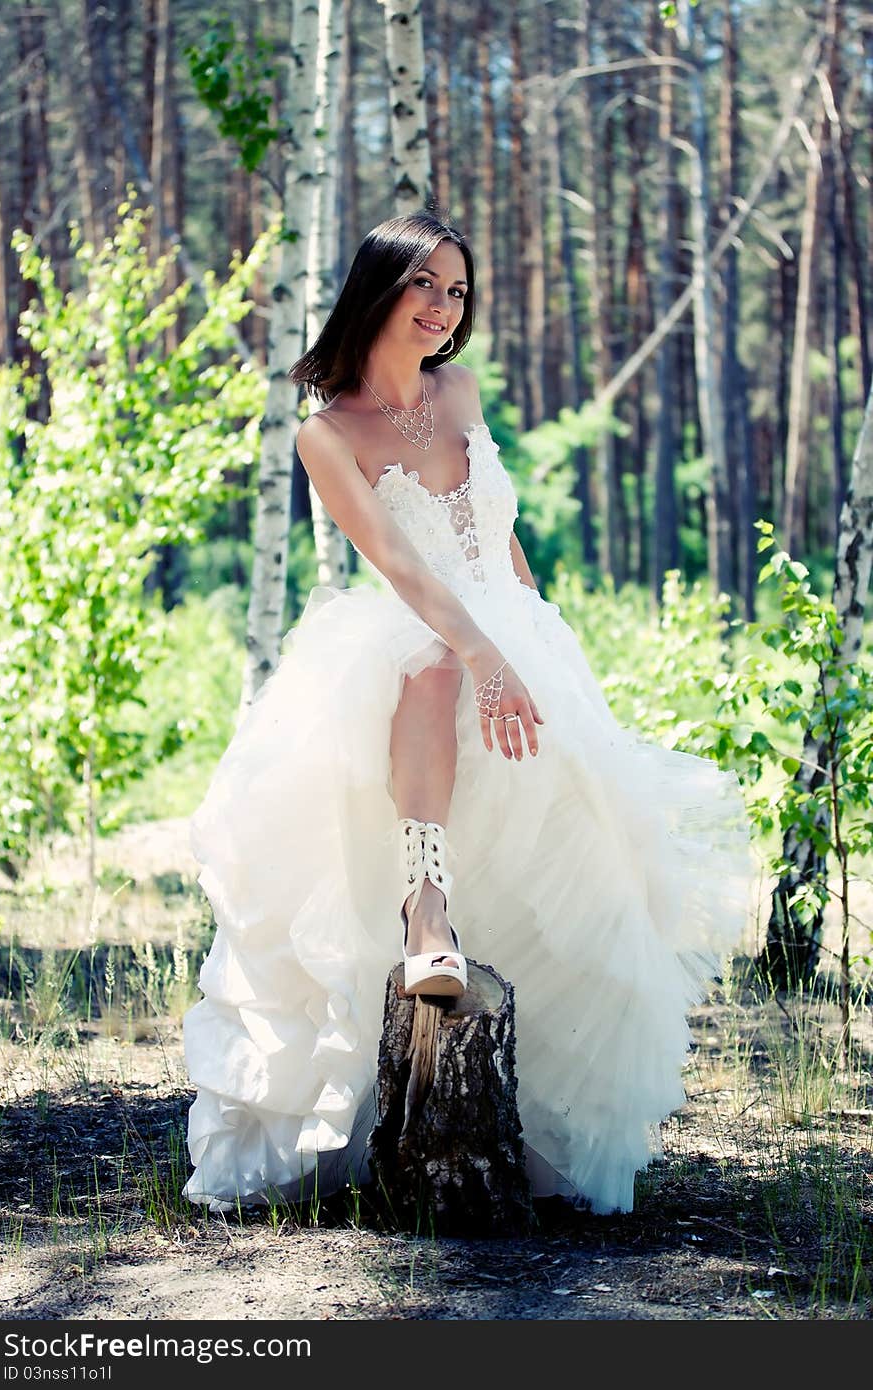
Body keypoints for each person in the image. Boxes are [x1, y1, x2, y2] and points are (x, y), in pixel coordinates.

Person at [181, 210, 756, 1217]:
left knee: (583, 862)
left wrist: (536, 642)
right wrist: (483, 651)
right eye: (426, 287)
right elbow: (400, 563)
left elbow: (500, 528)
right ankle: (425, 904)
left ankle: (547, 1145)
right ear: (378, 288)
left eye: (457, 292)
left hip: (510, 623)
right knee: (433, 667)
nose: (444, 311)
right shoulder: (326, 432)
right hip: (416, 625)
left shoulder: (460, 391)